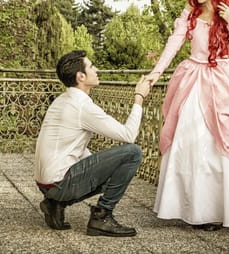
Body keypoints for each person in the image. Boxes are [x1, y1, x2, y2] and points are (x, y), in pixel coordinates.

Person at [146, 0, 229, 231]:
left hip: (223, 83)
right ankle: (193, 209)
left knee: (220, 146)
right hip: (192, 81)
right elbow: (174, 42)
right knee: (190, 145)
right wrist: (155, 74)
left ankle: (219, 211)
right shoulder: (190, 13)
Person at [34, 50, 151, 237]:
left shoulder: (61, 100)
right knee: (132, 153)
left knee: (113, 170)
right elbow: (128, 135)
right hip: (59, 183)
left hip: (45, 184)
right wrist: (139, 97)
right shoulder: (82, 106)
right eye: (91, 66)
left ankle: (55, 203)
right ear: (81, 76)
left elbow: (73, 147)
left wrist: (103, 170)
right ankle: (101, 217)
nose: (96, 69)